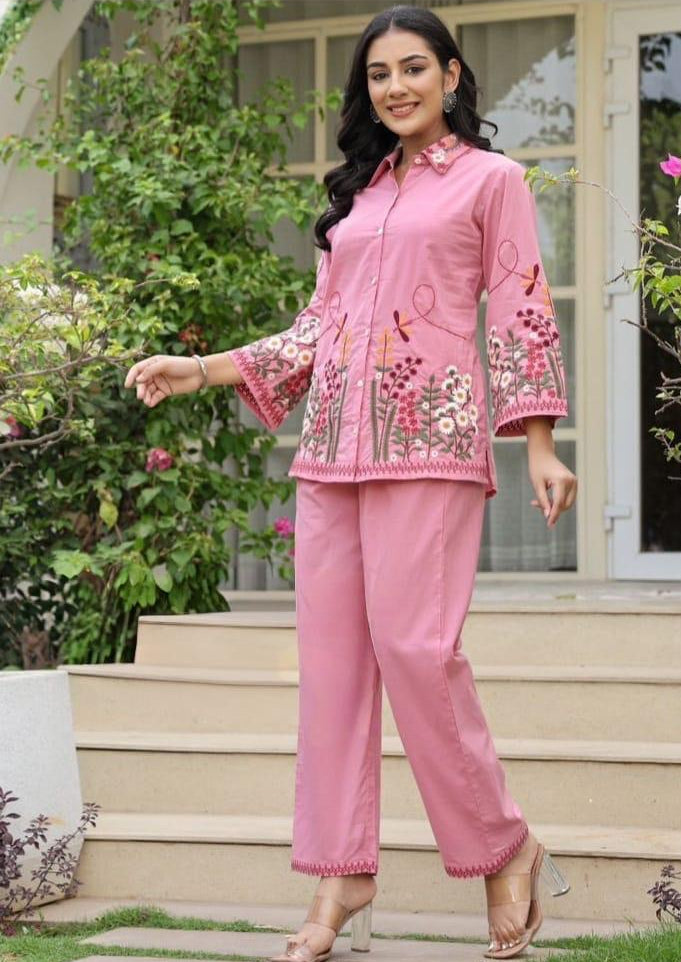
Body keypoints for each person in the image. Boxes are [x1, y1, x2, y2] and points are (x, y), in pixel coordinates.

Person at [124, 6, 577, 960]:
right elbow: (315, 332)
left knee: (417, 651)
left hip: (432, 441)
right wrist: (196, 367)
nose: (395, 87)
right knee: (332, 673)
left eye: (415, 68)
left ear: (452, 76)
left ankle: (506, 848)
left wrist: (537, 441)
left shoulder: (493, 182)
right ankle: (340, 882)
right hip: (332, 454)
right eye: (378, 74)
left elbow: (522, 308)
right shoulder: (359, 200)